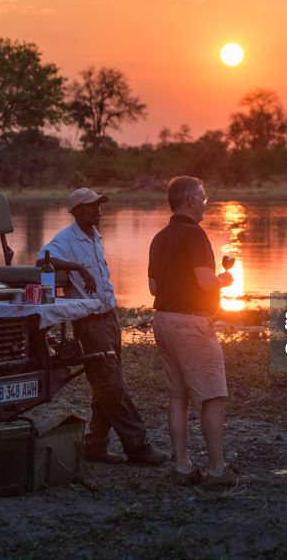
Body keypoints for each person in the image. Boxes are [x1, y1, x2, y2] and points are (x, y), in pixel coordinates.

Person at [38, 188, 168, 466]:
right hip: (90, 321)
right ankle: (139, 447)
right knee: (111, 385)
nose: (97, 210)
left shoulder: (94, 235)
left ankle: (95, 445)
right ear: (76, 211)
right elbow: (42, 259)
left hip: (108, 315)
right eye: (90, 206)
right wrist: (78, 268)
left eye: (99, 205)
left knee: (106, 383)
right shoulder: (65, 239)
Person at [148, 176, 245, 486]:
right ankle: (217, 469)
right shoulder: (195, 235)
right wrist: (223, 281)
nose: (206, 202)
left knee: (179, 397)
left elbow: (153, 287)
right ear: (190, 199)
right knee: (213, 396)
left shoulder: (159, 237)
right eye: (203, 196)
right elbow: (204, 283)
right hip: (190, 324)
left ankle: (182, 465)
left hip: (163, 320)